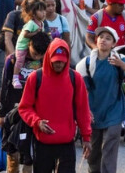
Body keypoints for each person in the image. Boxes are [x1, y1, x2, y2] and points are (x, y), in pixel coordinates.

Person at [18, 39, 92, 173]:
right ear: (49, 58)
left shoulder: (75, 78)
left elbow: (83, 110)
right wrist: (37, 122)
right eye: (56, 61)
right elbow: (24, 107)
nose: (59, 64)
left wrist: (86, 137)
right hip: (42, 144)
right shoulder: (35, 77)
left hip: (67, 144)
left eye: (62, 61)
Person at [75, 27, 125, 173]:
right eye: (101, 37)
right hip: (94, 111)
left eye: (108, 38)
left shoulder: (120, 59)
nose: (103, 40)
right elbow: (84, 90)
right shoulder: (86, 63)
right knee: (94, 153)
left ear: (113, 44)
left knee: (110, 146)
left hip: (114, 111)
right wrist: (86, 111)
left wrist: (120, 64)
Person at [0, 31, 52, 173]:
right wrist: (2, 113)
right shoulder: (13, 60)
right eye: (34, 53)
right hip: (13, 110)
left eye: (41, 55)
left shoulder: (47, 63)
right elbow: (5, 87)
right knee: (12, 147)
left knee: (29, 152)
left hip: (34, 112)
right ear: (28, 44)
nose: (37, 57)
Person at [12, 0, 47, 89]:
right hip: (22, 45)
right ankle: (15, 77)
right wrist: (35, 33)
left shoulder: (41, 24)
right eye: (40, 10)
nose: (43, 13)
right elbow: (25, 34)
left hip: (32, 46)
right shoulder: (31, 23)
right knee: (20, 60)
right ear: (34, 13)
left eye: (44, 10)